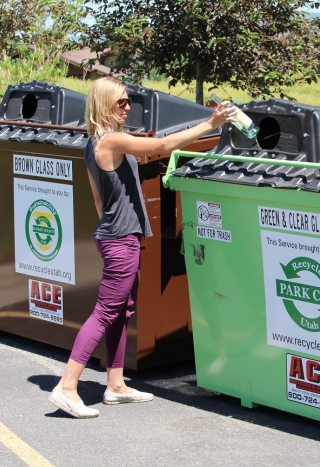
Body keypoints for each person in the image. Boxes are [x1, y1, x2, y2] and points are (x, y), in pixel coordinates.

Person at [48, 77, 236, 418]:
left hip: (118, 236)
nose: (128, 106)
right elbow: (161, 147)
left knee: (122, 310)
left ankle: (116, 385)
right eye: (120, 102)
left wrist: (113, 229)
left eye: (128, 100)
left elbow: (97, 198)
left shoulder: (93, 143)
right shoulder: (112, 139)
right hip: (120, 239)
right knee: (106, 311)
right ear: (104, 104)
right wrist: (211, 124)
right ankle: (67, 386)